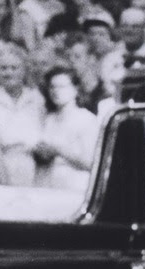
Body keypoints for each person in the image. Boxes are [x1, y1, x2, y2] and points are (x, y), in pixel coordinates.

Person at [0, 43, 43, 188]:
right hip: (6, 166)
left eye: (14, 68)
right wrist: (4, 186)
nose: (9, 73)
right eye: (3, 68)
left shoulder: (37, 99)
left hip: (37, 167)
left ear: (24, 71)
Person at [31, 68, 101, 196]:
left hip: (74, 185)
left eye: (62, 86)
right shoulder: (49, 118)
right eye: (52, 87)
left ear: (75, 89)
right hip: (48, 185)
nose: (56, 91)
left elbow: (92, 162)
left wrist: (59, 150)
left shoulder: (86, 119)